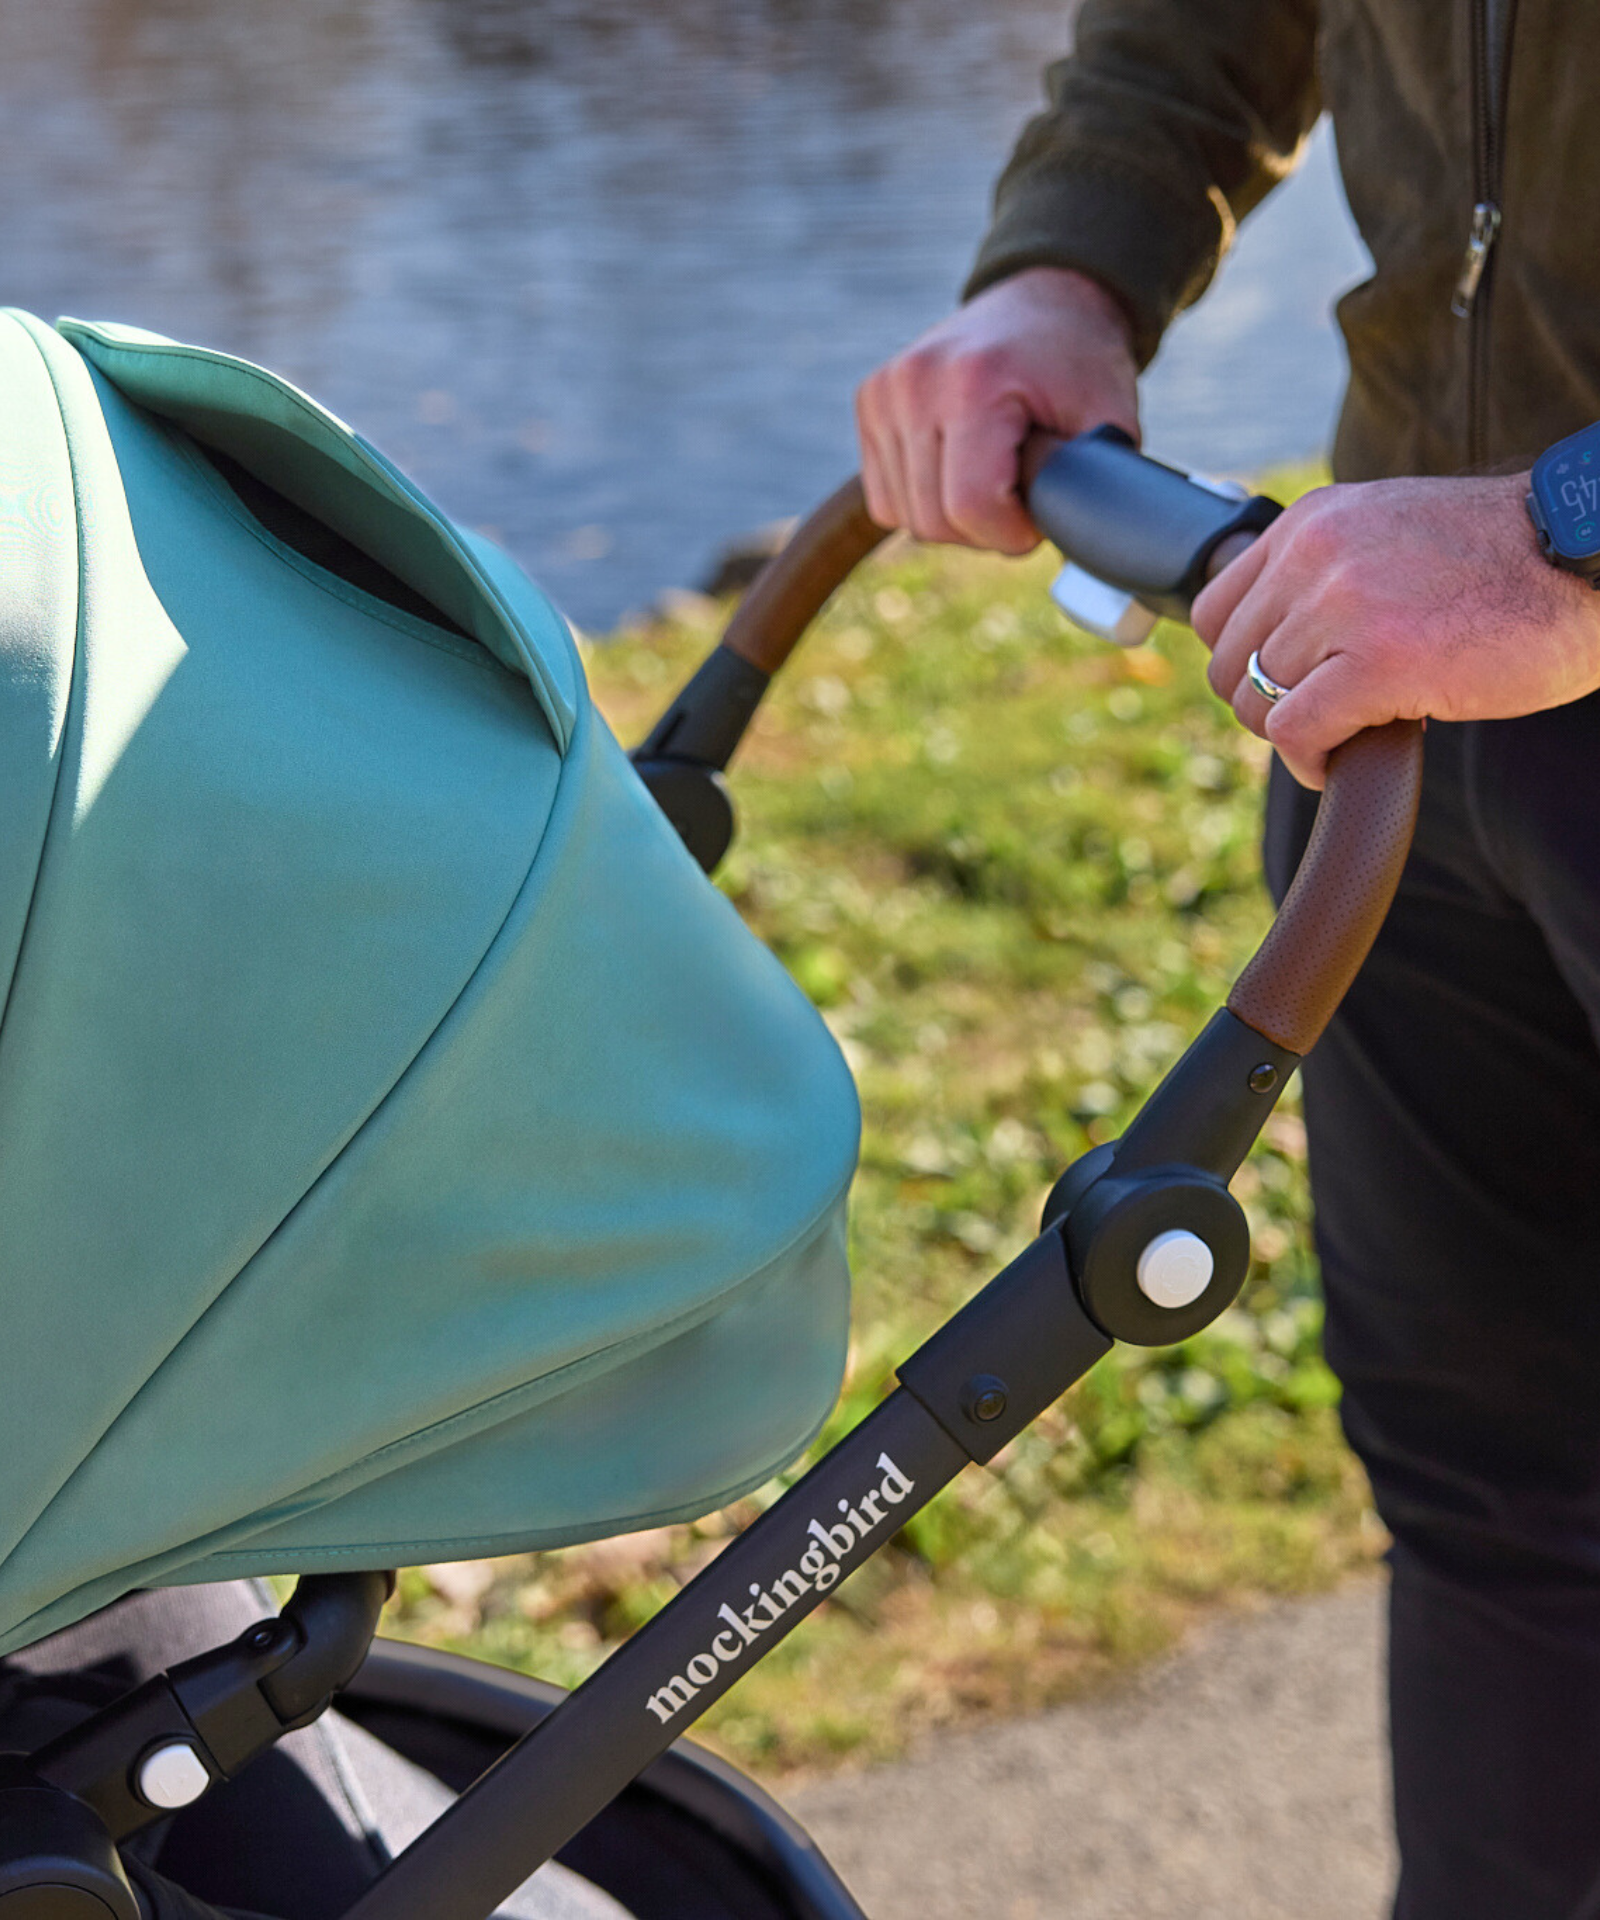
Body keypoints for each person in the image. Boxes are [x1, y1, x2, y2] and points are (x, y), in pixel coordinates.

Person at [856, 7, 1600, 1918]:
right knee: (1491, 1500)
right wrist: (1075, 259)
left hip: (1507, 576)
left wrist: (1572, 535)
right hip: (1418, 698)